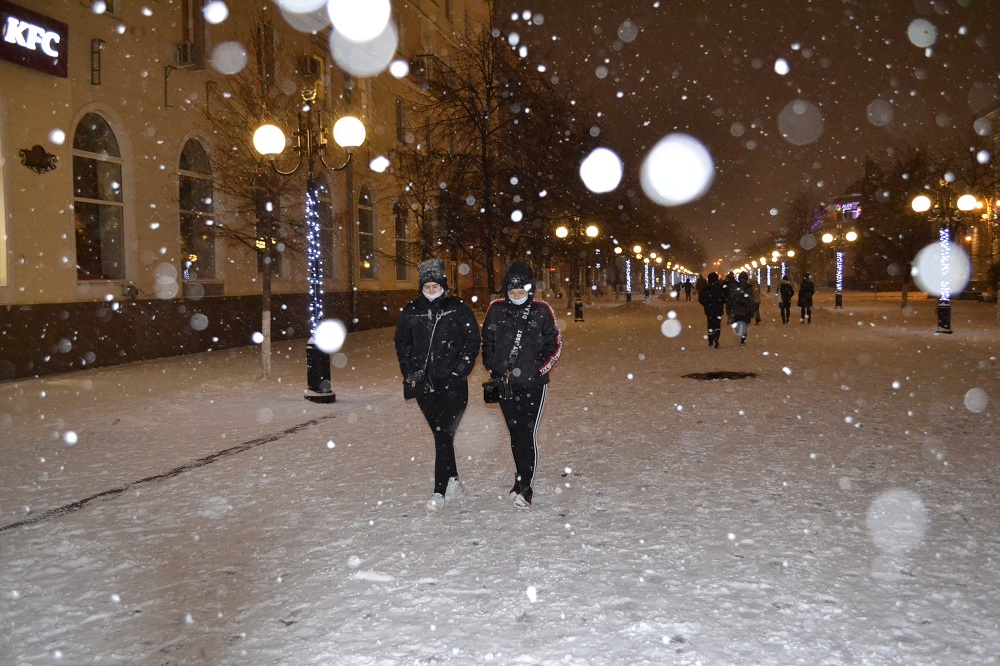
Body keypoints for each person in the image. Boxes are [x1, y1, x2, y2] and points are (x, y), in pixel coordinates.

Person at [394, 259, 481, 512]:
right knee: (442, 436)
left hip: (453, 384)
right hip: (425, 385)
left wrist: (460, 370)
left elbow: (472, 341)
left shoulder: (457, 308)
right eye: (427, 286)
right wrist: (410, 370)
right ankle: (453, 479)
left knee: (443, 434)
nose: (431, 290)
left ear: (443, 285)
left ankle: (439, 492)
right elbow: (402, 343)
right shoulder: (411, 311)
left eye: (435, 286)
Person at [481, 262, 562, 508]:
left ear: (529, 290)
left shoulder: (541, 310)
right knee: (515, 434)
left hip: (533, 384)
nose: (516, 297)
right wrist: (492, 367)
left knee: (527, 434)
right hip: (505, 383)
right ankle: (519, 479)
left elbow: (554, 344)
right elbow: (487, 340)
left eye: (521, 292)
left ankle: (526, 488)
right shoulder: (496, 309)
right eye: (511, 292)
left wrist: (538, 369)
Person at [698, 271, 726, 349]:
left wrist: (706, 304)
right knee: (717, 325)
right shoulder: (720, 288)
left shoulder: (706, 289)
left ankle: (710, 340)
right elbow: (725, 298)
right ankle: (716, 339)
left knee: (710, 324)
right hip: (718, 310)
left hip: (709, 310)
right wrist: (720, 302)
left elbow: (701, 299)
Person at [729, 272, 754, 346]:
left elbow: (731, 298)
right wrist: (752, 311)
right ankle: (743, 339)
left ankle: (738, 333)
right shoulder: (749, 287)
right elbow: (751, 300)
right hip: (746, 309)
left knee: (738, 321)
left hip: (737, 308)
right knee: (745, 324)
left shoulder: (735, 286)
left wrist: (730, 309)